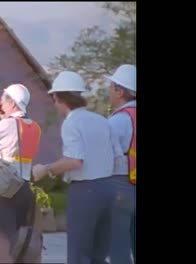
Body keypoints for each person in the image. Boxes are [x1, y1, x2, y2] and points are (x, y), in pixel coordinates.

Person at [32, 71, 120, 264]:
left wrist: (46, 169)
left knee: (79, 254)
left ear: (57, 97)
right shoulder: (101, 120)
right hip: (108, 188)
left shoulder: (71, 124)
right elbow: (117, 155)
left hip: (85, 190)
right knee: (99, 254)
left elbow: (75, 160)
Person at [0, 84, 42, 263]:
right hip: (25, 189)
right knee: (19, 243)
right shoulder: (34, 127)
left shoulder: (8, 125)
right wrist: (4, 115)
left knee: (2, 243)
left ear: (12, 103)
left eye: (2, 100)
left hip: (5, 189)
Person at [105, 64, 136, 264]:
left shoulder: (118, 120)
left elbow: (103, 155)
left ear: (120, 91)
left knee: (118, 245)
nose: (108, 90)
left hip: (121, 184)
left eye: (111, 86)